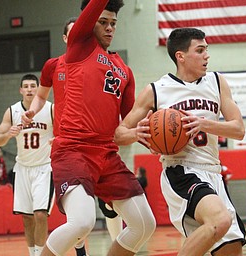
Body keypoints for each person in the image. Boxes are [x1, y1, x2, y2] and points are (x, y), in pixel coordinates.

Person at [23, 1, 156, 255]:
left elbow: (126, 129)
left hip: (107, 154)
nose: (109, 28)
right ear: (90, 21)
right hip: (73, 150)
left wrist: (148, 136)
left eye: (113, 24)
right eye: (103, 22)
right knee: (82, 222)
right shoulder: (79, 46)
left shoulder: (125, 71)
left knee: (144, 224)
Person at [115, 27, 246, 255]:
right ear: (181, 56)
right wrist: (139, 133)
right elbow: (120, 134)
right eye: (200, 50)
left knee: (231, 249)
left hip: (214, 173)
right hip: (181, 172)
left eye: (207, 49)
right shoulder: (157, 90)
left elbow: (239, 129)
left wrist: (205, 124)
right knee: (220, 220)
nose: (207, 55)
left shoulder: (217, 82)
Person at [25, 16, 123, 256]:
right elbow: (42, 97)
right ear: (65, 38)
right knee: (80, 212)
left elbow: (108, 98)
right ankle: (79, 250)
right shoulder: (53, 65)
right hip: (70, 144)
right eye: (73, 33)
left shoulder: (99, 64)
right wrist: (33, 111)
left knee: (113, 206)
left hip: (101, 143)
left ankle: (117, 246)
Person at [0, 74, 55, 256]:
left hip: (44, 167)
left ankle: (41, 253)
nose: (29, 89)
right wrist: (8, 135)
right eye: (26, 86)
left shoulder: (50, 109)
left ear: (38, 89)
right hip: (22, 169)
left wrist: (57, 139)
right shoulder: (12, 111)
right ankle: (32, 253)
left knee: (40, 214)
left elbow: (64, 130)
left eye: (32, 86)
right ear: (20, 90)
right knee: (27, 218)